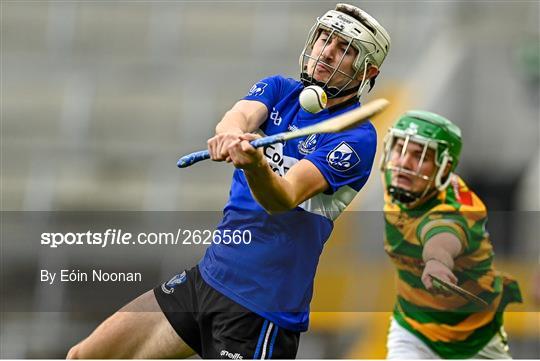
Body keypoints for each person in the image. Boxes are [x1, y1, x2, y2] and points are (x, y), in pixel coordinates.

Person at [67, 4, 390, 359]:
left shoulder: (356, 137)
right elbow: (237, 117)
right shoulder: (279, 89)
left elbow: (284, 196)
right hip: (208, 278)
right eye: (324, 38)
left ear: (366, 71)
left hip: (261, 309)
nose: (326, 51)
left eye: (344, 48)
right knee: (85, 356)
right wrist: (233, 135)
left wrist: (254, 163)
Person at [379, 110, 523, 359]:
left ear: (444, 167)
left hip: (474, 339)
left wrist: (436, 261)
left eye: (419, 156)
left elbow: (441, 237)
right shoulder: (400, 181)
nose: (404, 163)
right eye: (400, 149)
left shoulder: (460, 209)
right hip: (412, 329)